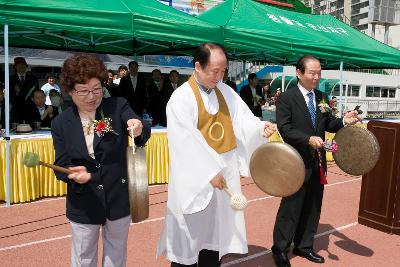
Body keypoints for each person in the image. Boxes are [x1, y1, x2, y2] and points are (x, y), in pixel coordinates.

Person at [157, 42, 276, 267]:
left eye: (223, 71)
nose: (219, 76)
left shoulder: (225, 91)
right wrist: (207, 172)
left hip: (224, 174)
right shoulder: (181, 98)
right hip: (196, 181)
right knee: (190, 239)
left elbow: (243, 119)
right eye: (214, 71)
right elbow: (184, 143)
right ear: (198, 66)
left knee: (215, 238)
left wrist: (259, 128)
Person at [51, 53, 151, 267]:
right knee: (83, 257)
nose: (91, 97)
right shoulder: (61, 123)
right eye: (83, 91)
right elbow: (60, 166)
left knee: (116, 256)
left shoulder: (116, 106)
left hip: (118, 196)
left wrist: (138, 126)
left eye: (96, 89)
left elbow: (141, 129)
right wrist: (72, 173)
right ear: (70, 91)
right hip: (84, 201)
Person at [271, 55, 360, 267]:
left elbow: (328, 123)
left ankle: (304, 245)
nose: (316, 77)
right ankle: (280, 249)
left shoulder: (322, 96)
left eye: (319, 72)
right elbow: (285, 129)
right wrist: (307, 139)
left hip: (318, 162)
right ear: (299, 73)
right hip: (295, 161)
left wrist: (344, 122)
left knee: (313, 205)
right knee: (291, 207)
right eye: (312, 72)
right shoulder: (287, 98)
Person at [9, 57, 39, 122]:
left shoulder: (33, 79)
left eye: (23, 64)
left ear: (26, 66)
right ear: (15, 67)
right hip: (16, 111)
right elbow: (8, 95)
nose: (21, 66)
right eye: (18, 65)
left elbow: (37, 93)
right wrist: (16, 93)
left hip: (31, 110)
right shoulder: (10, 79)